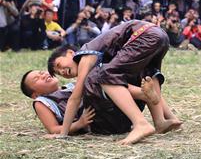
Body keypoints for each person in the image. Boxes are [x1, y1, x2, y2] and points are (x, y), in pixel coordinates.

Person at [46, 20, 181, 145]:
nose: (61, 71)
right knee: (147, 74)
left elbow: (74, 98)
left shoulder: (85, 56)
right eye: (58, 73)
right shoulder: (98, 58)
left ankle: (141, 124)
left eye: (59, 65)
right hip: (159, 35)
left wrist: (63, 134)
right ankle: (163, 120)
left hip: (143, 35)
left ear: (70, 53)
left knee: (104, 76)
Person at [21, 70, 165, 137]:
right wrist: (79, 124)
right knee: (97, 77)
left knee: (146, 71)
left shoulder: (71, 86)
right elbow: (53, 129)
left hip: (116, 116)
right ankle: (142, 94)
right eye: (37, 79)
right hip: (100, 123)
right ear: (35, 94)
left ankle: (164, 119)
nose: (43, 75)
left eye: (41, 72)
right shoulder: (42, 102)